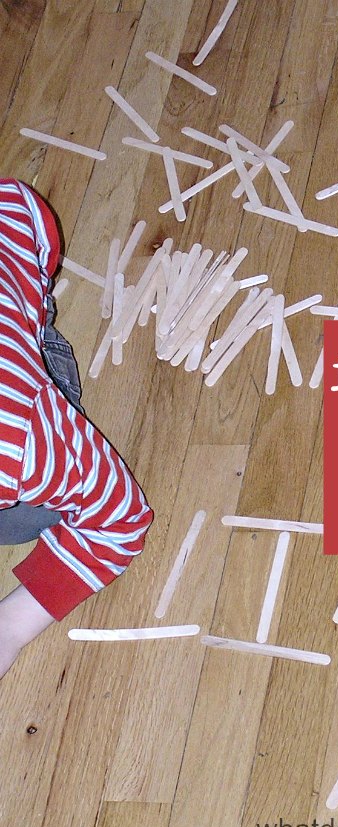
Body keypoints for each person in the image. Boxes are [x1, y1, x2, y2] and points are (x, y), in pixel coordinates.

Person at [0, 178, 153, 679]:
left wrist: (10, 630)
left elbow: (120, 521)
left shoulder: (21, 440)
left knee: (23, 521)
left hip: (21, 229)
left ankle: (40, 341)